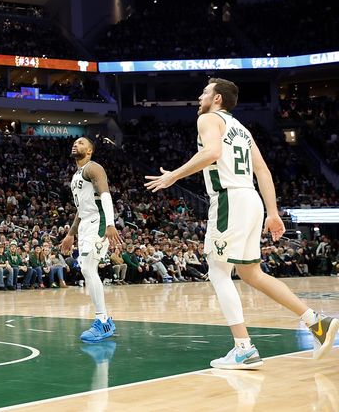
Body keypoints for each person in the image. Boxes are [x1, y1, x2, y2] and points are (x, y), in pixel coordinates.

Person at [145, 78, 338, 368]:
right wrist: (272, 212)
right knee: (251, 274)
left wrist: (174, 174)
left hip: (229, 200)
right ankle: (316, 322)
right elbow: (262, 170)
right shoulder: (243, 129)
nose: (200, 96)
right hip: (251, 200)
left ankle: (243, 348)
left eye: (205, 92)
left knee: (218, 271)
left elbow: (211, 153)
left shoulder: (208, 119)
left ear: (218, 98)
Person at [61, 137, 122, 343]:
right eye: (75, 143)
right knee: (86, 267)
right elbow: (80, 210)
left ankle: (103, 320)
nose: (75, 144)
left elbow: (105, 195)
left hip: (100, 221)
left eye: (80, 142)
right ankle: (104, 320)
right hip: (86, 222)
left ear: (89, 151)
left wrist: (111, 223)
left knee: (88, 267)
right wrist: (71, 233)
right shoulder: (77, 175)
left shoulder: (93, 168)